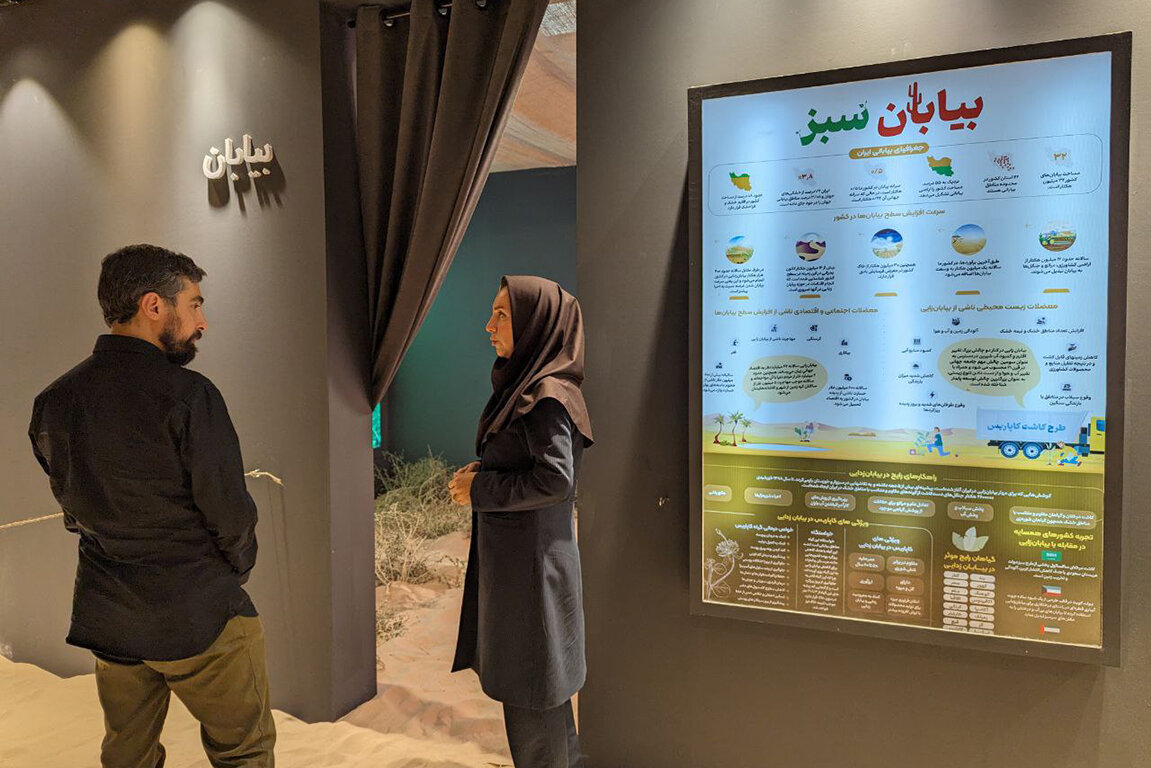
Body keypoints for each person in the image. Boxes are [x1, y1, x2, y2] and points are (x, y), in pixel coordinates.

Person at [28, 244, 275, 768]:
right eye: (195, 304)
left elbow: (72, 508)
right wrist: (231, 573)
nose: (203, 322)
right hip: (198, 612)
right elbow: (230, 513)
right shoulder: (189, 395)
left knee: (127, 758)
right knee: (245, 753)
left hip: (110, 615)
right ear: (154, 305)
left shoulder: (54, 400)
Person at [448, 275, 594, 768]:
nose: (488, 326)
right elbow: (532, 466)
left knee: (534, 708)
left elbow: (554, 481)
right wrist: (485, 471)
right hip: (532, 574)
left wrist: (480, 490)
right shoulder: (536, 389)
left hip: (531, 581)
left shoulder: (545, 395)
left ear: (536, 323)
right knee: (545, 704)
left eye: (502, 315)